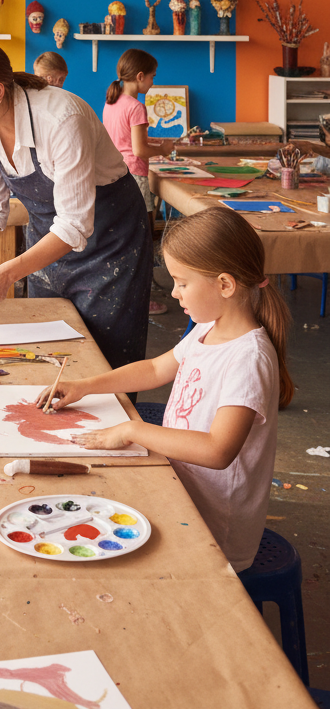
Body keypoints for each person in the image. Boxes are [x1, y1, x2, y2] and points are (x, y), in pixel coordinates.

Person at [38, 206, 292, 573]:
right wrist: (85, 387)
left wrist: (132, 430)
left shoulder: (248, 358)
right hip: (179, 488)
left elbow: (219, 451)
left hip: (214, 530)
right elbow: (157, 368)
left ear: (224, 285)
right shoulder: (209, 329)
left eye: (182, 282)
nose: (174, 293)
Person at [0, 36, 152, 371]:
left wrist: (7, 273)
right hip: (48, 239)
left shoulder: (61, 118)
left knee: (104, 360)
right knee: (47, 351)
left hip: (111, 241)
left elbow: (74, 223)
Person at [102, 49, 176, 315]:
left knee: (124, 238)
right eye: (153, 77)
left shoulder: (112, 101)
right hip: (135, 175)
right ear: (140, 76)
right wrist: (165, 150)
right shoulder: (136, 107)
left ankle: (122, 297)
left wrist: (156, 143)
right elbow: (139, 151)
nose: (153, 83)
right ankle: (141, 301)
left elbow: (123, 143)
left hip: (116, 175)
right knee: (142, 241)